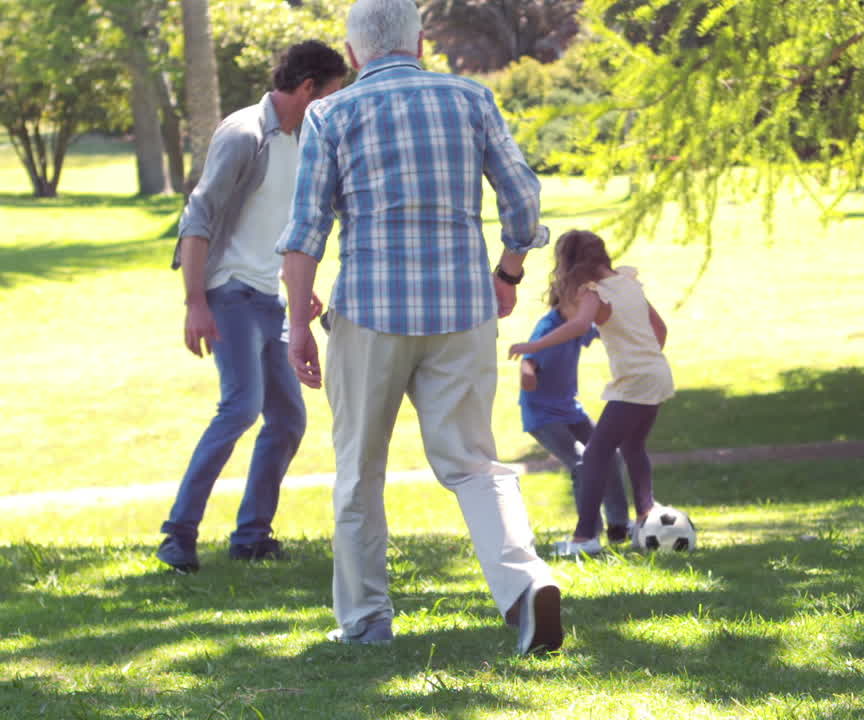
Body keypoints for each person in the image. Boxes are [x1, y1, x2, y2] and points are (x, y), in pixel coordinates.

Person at [277, 0, 562, 654]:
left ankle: (367, 623)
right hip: (463, 310)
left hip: (370, 313)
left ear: (353, 56)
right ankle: (525, 587)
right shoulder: (471, 99)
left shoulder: (331, 112)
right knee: (473, 464)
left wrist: (298, 322)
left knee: (359, 472)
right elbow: (521, 195)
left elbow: (306, 230)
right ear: (422, 43)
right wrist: (509, 272)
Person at [157, 41, 348, 573]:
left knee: (287, 420)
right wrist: (195, 303)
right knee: (241, 407)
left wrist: (294, 291)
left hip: (267, 297)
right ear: (307, 88)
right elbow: (197, 218)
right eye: (331, 94)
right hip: (229, 293)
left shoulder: (303, 140)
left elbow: (280, 231)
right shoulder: (246, 134)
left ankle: (251, 535)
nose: (335, 105)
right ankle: (179, 534)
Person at [507, 230, 674, 558]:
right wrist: (645, 357)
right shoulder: (627, 281)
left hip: (633, 381)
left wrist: (531, 346)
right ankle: (644, 514)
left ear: (568, 263)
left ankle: (585, 537)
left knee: (596, 454)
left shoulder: (593, 292)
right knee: (632, 445)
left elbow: (578, 326)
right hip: (657, 373)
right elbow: (661, 329)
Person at [519, 304, 633, 545]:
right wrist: (527, 373)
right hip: (542, 415)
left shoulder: (579, 320)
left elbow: (604, 328)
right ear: (562, 299)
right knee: (581, 462)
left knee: (610, 454)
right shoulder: (548, 326)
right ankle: (589, 533)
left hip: (570, 409)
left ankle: (618, 526)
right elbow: (529, 359)